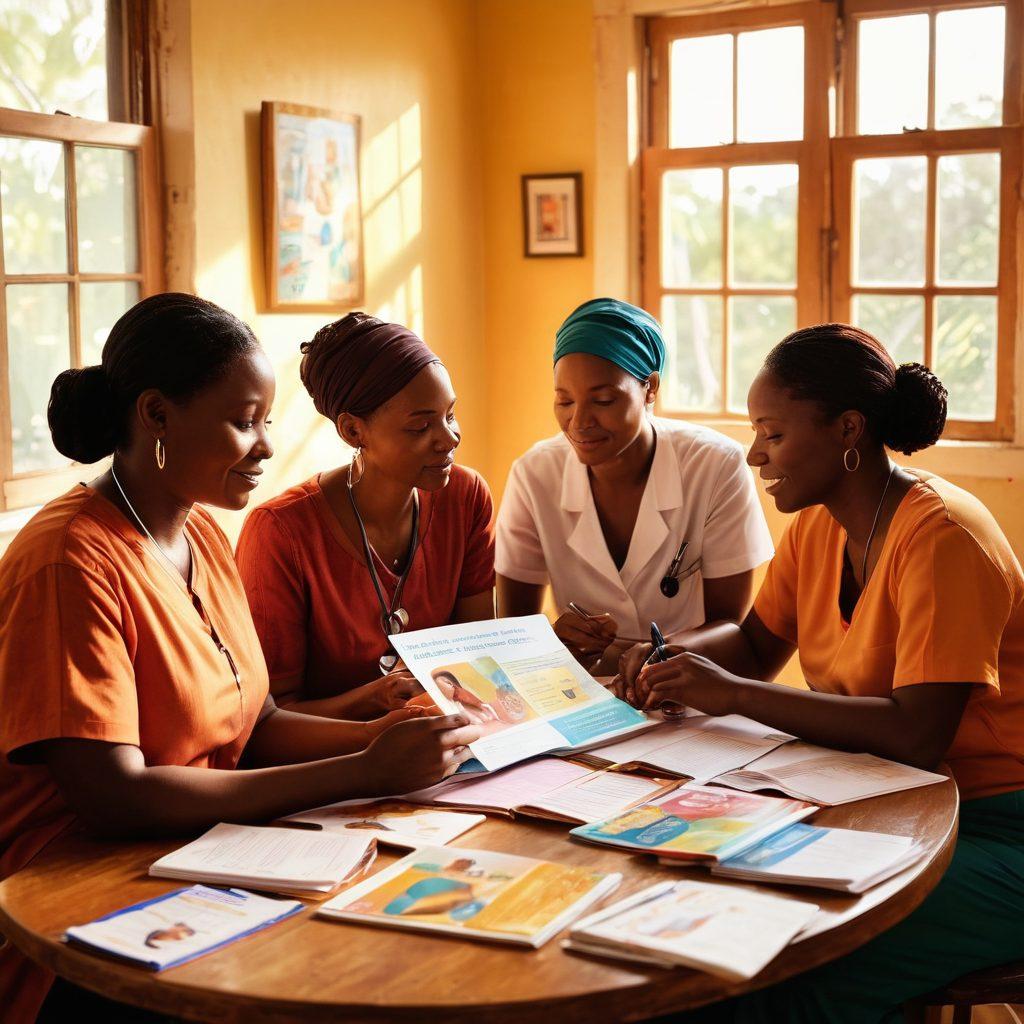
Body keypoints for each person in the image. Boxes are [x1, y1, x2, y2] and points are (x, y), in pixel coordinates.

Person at [0, 294, 477, 1024]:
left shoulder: (203, 541)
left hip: (211, 855)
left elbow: (257, 724)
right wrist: (361, 769)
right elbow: (113, 798)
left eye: (267, 421)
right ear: (156, 416)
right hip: (82, 898)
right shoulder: (70, 561)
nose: (264, 446)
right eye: (243, 422)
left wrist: (394, 739)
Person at [619, 323, 1024, 1023]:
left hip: (999, 823)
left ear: (848, 430)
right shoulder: (819, 523)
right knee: (713, 916)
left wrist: (733, 694)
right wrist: (678, 653)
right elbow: (750, 644)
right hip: (892, 802)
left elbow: (917, 733)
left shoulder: (943, 538)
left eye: (771, 434)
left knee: (800, 959)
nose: (754, 454)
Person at [236, 313, 495, 720]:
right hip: (336, 768)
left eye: (450, 415)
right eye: (421, 426)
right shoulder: (281, 533)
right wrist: (377, 701)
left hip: (450, 748)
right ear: (353, 432)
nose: (448, 438)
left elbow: (482, 653)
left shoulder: (465, 498)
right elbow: (271, 717)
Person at [496, 297, 773, 675]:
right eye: (564, 401)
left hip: (686, 688)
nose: (579, 422)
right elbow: (513, 632)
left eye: (604, 400)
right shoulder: (535, 474)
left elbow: (728, 627)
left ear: (650, 388)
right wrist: (553, 641)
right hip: (580, 690)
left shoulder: (715, 465)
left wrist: (653, 654)